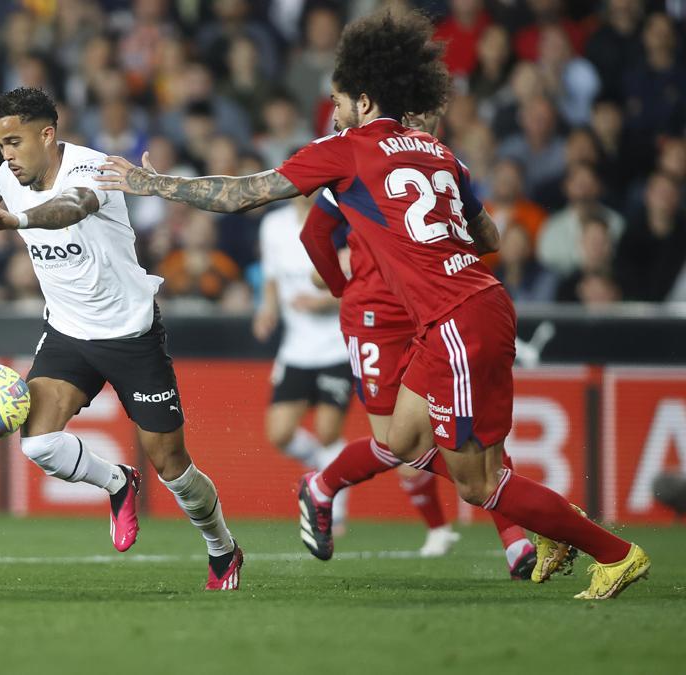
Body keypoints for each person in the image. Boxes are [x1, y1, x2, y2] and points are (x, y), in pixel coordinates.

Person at [98, 10, 649, 600]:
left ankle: (614, 553)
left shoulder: (347, 148)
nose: (332, 113)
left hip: (456, 320)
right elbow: (488, 238)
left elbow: (241, 194)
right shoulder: (439, 152)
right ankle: (549, 526)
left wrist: (155, 185)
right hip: (473, 304)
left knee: (478, 483)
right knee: (405, 441)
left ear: (363, 100)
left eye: (337, 101)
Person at [0, 87, 242, 590]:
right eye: (0, 145)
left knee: (172, 465)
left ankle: (222, 549)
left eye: (14, 142)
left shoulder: (92, 168)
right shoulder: (8, 175)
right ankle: (117, 483)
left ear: (47, 134)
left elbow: (71, 208)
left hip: (130, 335)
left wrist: (20, 220)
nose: (7, 156)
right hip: (69, 333)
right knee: (39, 443)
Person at [295, 109, 537, 576]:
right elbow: (314, 231)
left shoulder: (442, 163)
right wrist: (342, 288)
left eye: (436, 114)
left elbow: (486, 237)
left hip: (435, 308)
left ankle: (515, 539)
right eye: (421, 112)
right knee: (395, 443)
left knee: (473, 421)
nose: (429, 121)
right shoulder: (360, 161)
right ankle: (324, 485)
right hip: (377, 319)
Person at [253, 195, 357, 535]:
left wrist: (322, 302)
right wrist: (267, 309)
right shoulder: (273, 224)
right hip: (296, 348)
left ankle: (334, 511)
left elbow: (355, 283)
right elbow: (272, 278)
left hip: (336, 346)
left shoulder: (339, 223)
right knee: (279, 432)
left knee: (329, 431)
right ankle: (324, 469)